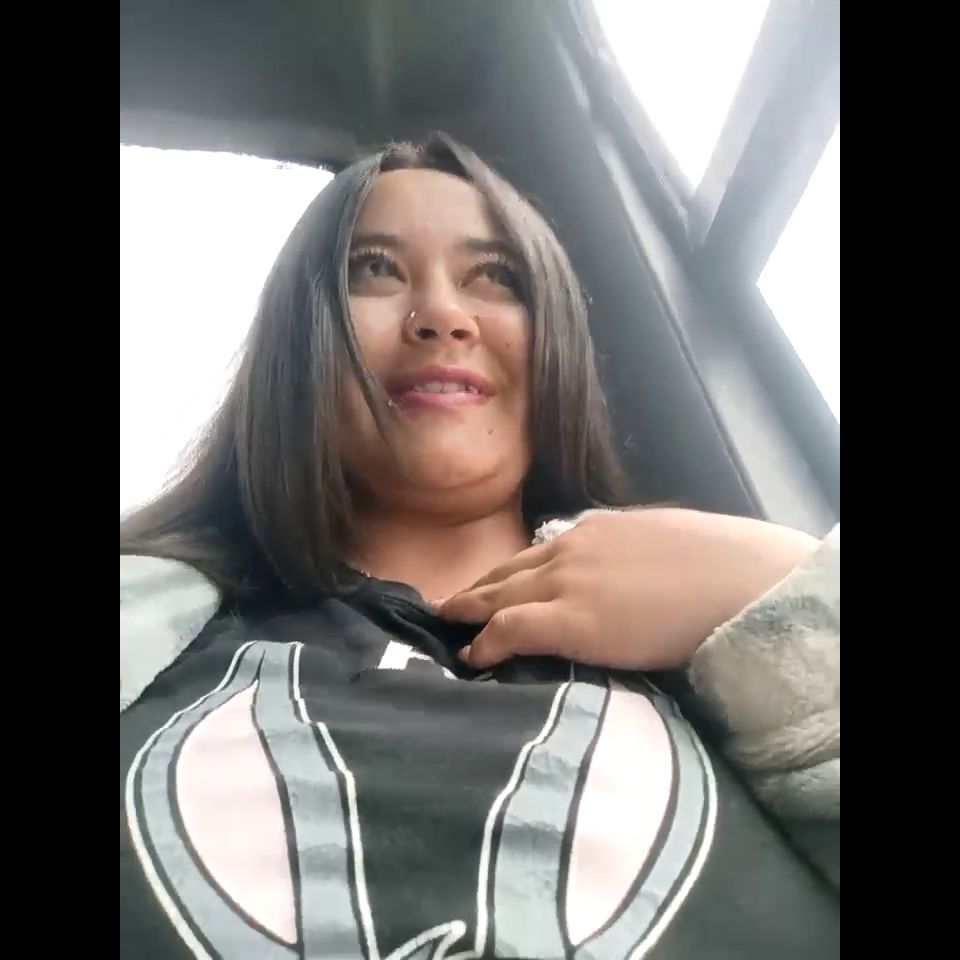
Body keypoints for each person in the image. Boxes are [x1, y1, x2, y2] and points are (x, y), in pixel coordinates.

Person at [120, 134, 839, 960]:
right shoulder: (151, 625)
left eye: (496, 277)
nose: (441, 315)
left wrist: (785, 591)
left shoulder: (724, 657)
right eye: (375, 269)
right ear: (300, 339)